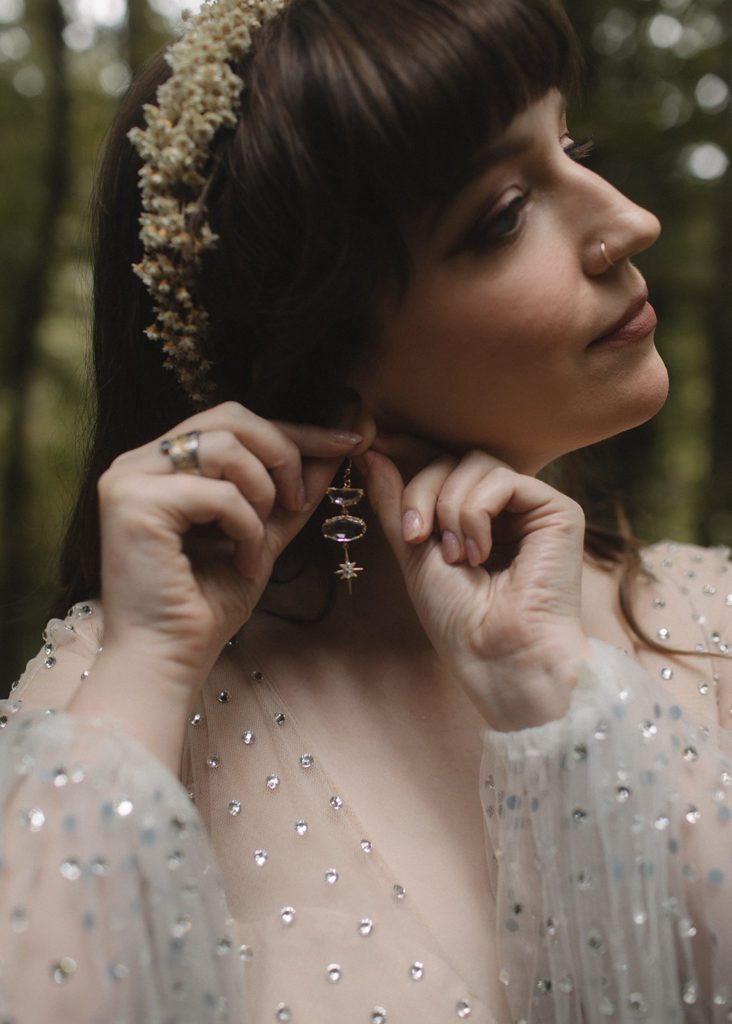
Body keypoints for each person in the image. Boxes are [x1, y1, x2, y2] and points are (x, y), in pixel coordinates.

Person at [1, 0, 730, 1020]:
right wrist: (152, 666)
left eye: (576, 147)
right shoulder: (115, 696)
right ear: (318, 362)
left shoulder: (715, 616)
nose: (627, 220)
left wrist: (560, 690)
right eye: (507, 212)